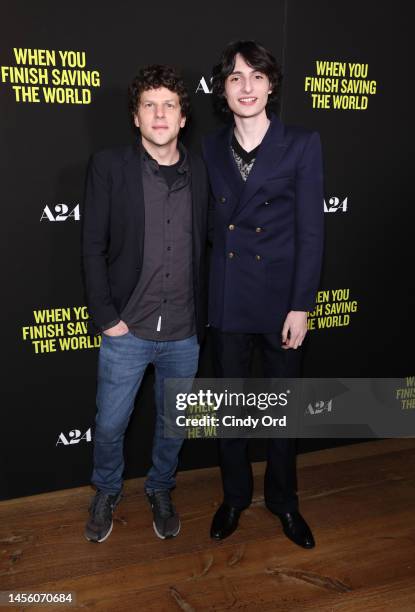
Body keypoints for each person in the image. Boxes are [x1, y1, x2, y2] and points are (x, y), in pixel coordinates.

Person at [203, 41, 324, 547]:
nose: (246, 86)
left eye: (256, 76)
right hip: (229, 297)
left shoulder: (301, 143)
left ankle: (283, 502)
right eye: (235, 78)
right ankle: (234, 498)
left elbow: (311, 232)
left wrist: (301, 304)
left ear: (271, 85)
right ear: (224, 90)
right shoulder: (209, 147)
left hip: (280, 302)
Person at [82, 64, 208, 542]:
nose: (159, 114)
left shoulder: (201, 169)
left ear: (182, 117)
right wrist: (106, 318)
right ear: (136, 117)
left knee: (172, 425)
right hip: (126, 329)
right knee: (111, 423)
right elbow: (91, 246)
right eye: (149, 105)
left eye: (169, 105)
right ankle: (108, 489)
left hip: (184, 330)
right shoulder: (109, 166)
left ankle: (160, 487)